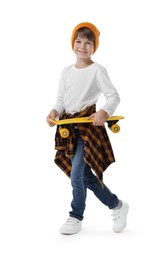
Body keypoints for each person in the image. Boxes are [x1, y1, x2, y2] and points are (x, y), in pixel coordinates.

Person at [46, 22, 129, 235]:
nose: (82, 46)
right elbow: (61, 99)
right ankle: (116, 205)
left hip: (87, 129)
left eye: (88, 43)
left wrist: (104, 112)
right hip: (68, 129)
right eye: (79, 41)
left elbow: (113, 96)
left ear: (95, 47)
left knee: (77, 175)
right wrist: (54, 111)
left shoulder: (97, 71)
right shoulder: (66, 72)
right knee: (83, 176)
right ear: (73, 43)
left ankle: (75, 216)